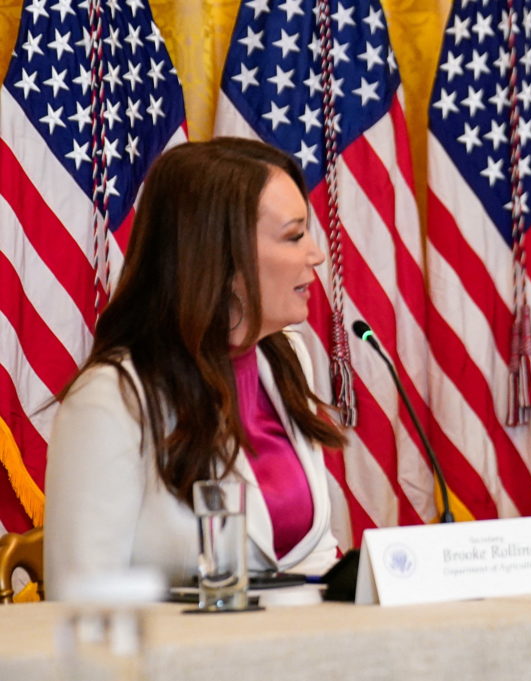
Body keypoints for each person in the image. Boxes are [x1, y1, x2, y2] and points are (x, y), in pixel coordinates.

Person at [44, 138, 346, 597]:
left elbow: (314, 556)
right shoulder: (113, 397)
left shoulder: (287, 356)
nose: (316, 254)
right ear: (222, 256)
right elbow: (82, 598)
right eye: (293, 235)